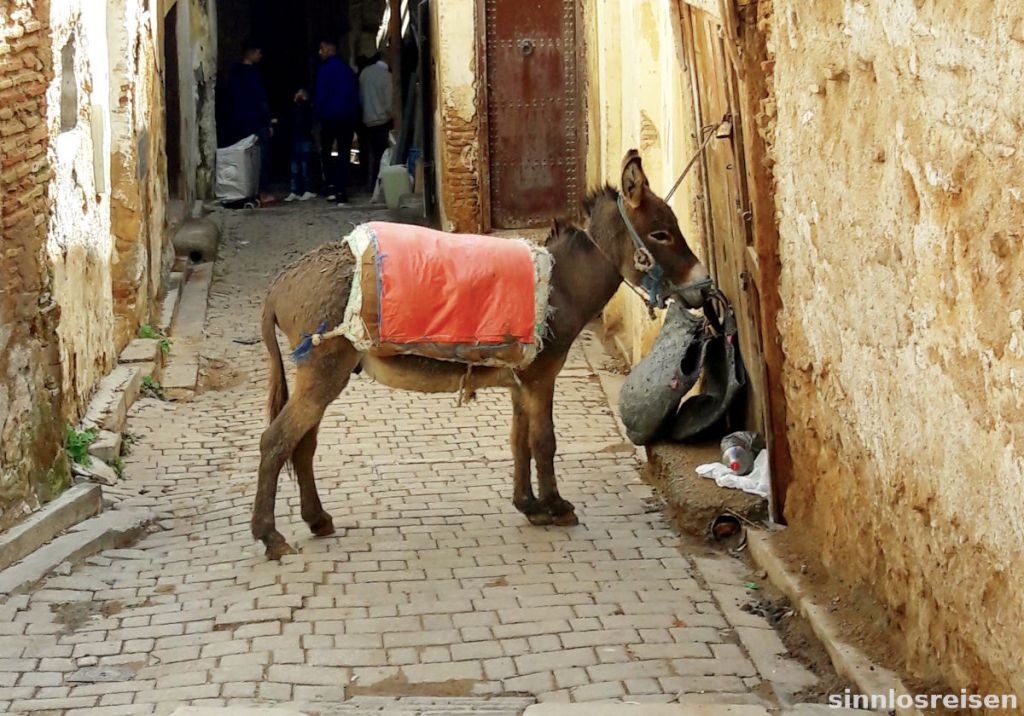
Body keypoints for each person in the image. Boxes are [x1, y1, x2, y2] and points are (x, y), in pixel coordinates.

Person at [225, 40, 273, 203]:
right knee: (260, 158)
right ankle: (262, 192)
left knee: (241, 158)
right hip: (256, 122)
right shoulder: (253, 74)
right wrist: (268, 121)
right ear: (250, 53)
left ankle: (243, 190)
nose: (260, 56)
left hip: (238, 122)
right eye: (258, 52)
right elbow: (261, 100)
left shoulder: (234, 73)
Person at [313, 39, 360, 205]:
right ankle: (341, 191)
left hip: (328, 118)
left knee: (326, 152)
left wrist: (317, 116)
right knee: (344, 153)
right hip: (346, 118)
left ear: (327, 48)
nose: (319, 52)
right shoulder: (347, 70)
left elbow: (320, 96)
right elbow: (355, 95)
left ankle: (330, 186)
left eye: (321, 49)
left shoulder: (324, 71)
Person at [358, 53, 394, 194]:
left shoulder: (365, 73)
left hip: (367, 120)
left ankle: (369, 183)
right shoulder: (387, 77)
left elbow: (360, 98)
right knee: (382, 156)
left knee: (369, 154)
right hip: (382, 121)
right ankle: (379, 187)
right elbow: (389, 103)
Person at [284, 89, 316, 202]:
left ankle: (308, 189)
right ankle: (295, 190)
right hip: (296, 139)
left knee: (305, 166)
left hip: (304, 139)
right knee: (296, 167)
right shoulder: (295, 109)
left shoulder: (307, 108)